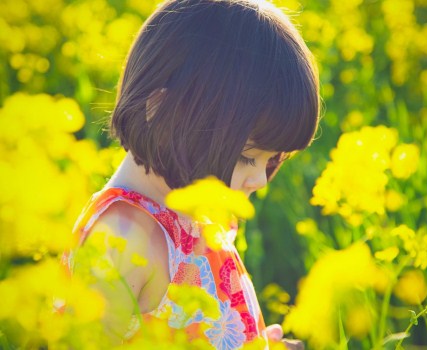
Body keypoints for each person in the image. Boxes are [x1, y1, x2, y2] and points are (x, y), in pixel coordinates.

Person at [68, 0, 319, 348]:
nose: (260, 179)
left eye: (271, 159)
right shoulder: (123, 241)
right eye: (247, 157)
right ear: (162, 111)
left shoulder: (194, 215)